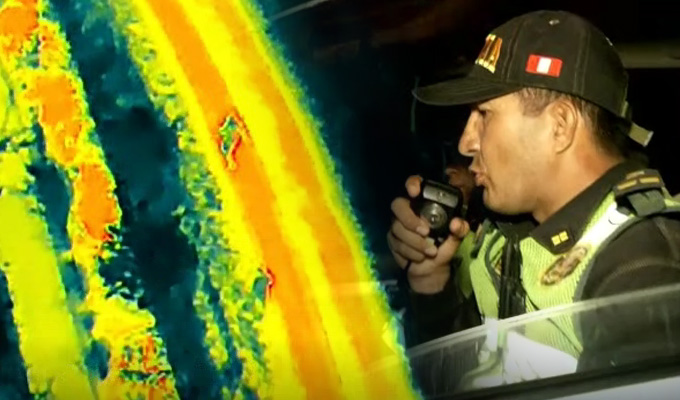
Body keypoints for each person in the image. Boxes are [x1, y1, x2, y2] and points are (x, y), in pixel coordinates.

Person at [388, 9, 680, 384]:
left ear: (559, 126)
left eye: (484, 114)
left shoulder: (640, 265)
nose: (465, 142)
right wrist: (431, 282)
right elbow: (460, 378)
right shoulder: (505, 236)